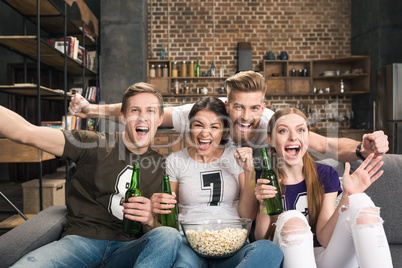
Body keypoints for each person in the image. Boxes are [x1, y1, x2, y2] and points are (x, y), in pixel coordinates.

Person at [1, 83, 182, 267]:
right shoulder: (93, 143)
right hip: (79, 244)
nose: (142, 117)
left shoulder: (164, 168)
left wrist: (149, 220)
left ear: (160, 119)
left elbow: (162, 231)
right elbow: (25, 132)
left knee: (169, 236)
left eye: (150, 111)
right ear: (123, 117)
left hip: (128, 249)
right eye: (135, 110)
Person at [68, 71, 389, 166]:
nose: (245, 117)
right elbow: (145, 111)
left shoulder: (270, 121)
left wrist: (362, 149)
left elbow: (325, 143)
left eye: (253, 108)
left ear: (263, 105)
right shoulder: (207, 115)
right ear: (227, 101)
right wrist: (88, 110)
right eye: (238, 107)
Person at [152, 96, 283, 267]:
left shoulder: (235, 156)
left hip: (232, 243)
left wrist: (249, 170)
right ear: (189, 126)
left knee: (269, 250)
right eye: (198, 125)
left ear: (225, 131)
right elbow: (169, 212)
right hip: (190, 243)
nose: (205, 133)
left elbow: (247, 216)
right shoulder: (175, 160)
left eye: (214, 127)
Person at [253, 107, 392, 268]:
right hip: (287, 256)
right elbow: (262, 240)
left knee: (360, 200)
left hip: (325, 256)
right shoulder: (263, 178)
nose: (293, 137)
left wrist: (348, 194)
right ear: (271, 139)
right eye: (283, 131)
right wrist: (263, 205)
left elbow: (324, 238)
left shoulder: (325, 174)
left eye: (300, 130)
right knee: (293, 219)